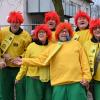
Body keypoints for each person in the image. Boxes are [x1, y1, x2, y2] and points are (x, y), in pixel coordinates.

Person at [14, 22, 91, 100]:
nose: (64, 33)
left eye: (66, 31)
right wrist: (24, 60)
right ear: (58, 34)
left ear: (69, 33)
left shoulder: (76, 44)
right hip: (58, 84)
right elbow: (41, 61)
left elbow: (84, 63)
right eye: (61, 31)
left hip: (76, 83)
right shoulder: (53, 47)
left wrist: (87, 77)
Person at [15, 24, 52, 100]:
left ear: (47, 34)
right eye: (39, 32)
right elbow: (24, 64)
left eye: (43, 32)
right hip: (33, 80)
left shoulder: (51, 46)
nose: (41, 34)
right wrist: (19, 76)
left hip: (47, 80)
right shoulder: (31, 46)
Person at [0, 11, 32, 100]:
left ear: (20, 23)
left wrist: (21, 57)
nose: (14, 24)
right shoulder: (3, 32)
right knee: (5, 92)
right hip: (5, 68)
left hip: (20, 68)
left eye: (17, 22)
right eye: (13, 22)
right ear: (10, 22)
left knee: (21, 92)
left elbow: (29, 50)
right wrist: (1, 59)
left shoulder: (26, 35)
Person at [84, 18, 100, 100]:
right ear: (92, 30)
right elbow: (83, 63)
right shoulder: (86, 45)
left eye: (99, 27)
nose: (98, 30)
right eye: (95, 28)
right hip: (95, 81)